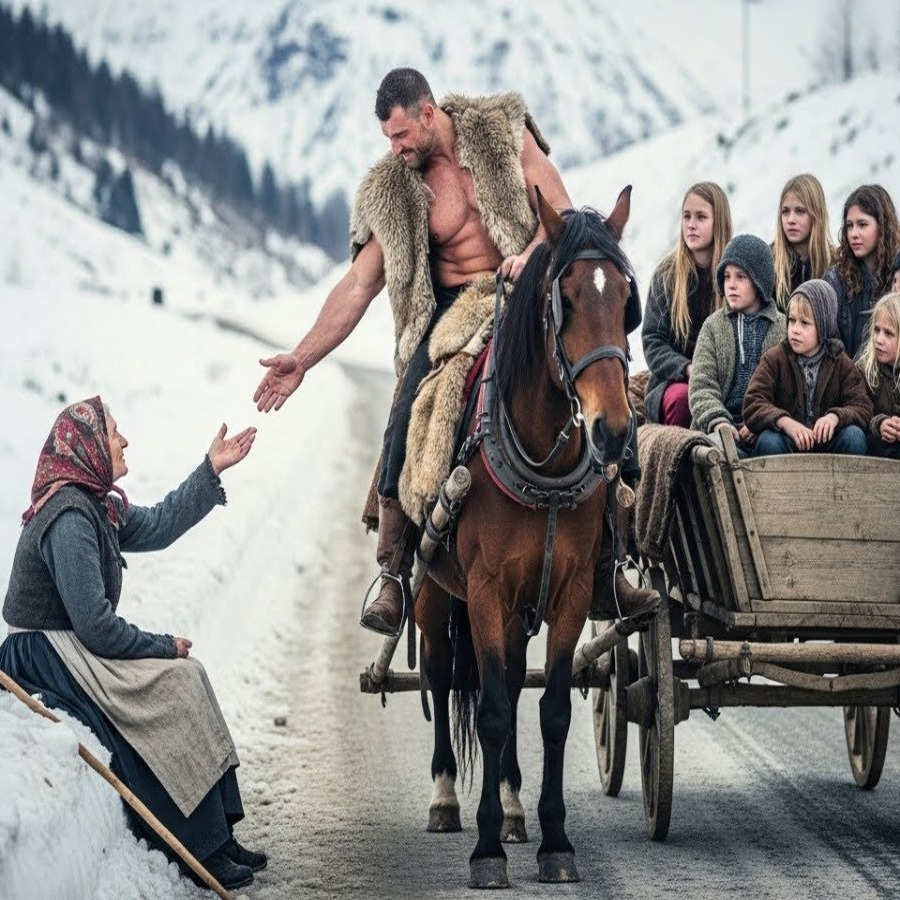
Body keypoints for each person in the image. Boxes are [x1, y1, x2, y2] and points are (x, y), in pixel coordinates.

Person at [252, 68, 655, 634]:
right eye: (388, 140)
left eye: (400, 135)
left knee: (598, 372)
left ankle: (610, 559)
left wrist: (530, 255)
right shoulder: (391, 191)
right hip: (446, 315)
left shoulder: (501, 133)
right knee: (402, 413)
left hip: (526, 295)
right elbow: (358, 286)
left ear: (427, 113)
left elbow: (559, 215)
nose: (396, 149)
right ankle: (393, 572)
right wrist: (303, 357)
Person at [0, 397, 263, 891]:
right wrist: (161, 646)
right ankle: (196, 849)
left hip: (73, 643)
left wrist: (210, 469)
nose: (124, 441)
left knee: (189, 677)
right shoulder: (69, 518)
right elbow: (96, 627)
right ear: (89, 449)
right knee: (167, 693)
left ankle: (218, 834)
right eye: (114, 433)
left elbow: (160, 524)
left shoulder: (97, 505)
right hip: (46, 655)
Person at [743, 280, 871, 456]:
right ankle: (775, 484)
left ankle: (842, 485)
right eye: (792, 321)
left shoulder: (840, 362)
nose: (795, 330)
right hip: (787, 442)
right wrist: (784, 422)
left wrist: (835, 417)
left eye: (804, 323)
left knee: (854, 437)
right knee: (768, 441)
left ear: (823, 325)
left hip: (826, 446)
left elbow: (862, 406)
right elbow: (753, 402)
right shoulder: (775, 358)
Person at [642, 181, 733, 426]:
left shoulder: (734, 275)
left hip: (724, 381)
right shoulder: (667, 275)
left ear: (719, 222)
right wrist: (687, 369)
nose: (691, 224)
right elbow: (653, 341)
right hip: (674, 382)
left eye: (701, 217)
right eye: (686, 216)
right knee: (683, 400)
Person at [688, 234, 786, 457]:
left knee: (773, 445)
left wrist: (762, 419)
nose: (731, 284)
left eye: (741, 277)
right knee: (723, 454)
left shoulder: (781, 327)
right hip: (722, 428)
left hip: (765, 426)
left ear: (760, 281)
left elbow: (789, 388)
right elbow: (702, 385)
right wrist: (718, 421)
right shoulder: (713, 327)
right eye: (727, 276)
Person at [823, 184, 900, 359]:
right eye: (849, 226)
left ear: (883, 226)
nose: (853, 234)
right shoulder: (835, 279)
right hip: (847, 382)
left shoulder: (897, 278)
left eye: (862, 224)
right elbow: (828, 345)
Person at [772, 173, 835, 311]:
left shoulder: (836, 264)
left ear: (816, 214)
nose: (790, 220)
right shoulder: (768, 261)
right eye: (785, 211)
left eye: (800, 211)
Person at [856, 292, 900, 458]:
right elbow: (859, 410)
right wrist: (879, 423)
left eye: (888, 334)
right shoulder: (864, 370)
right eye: (876, 330)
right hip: (876, 450)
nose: (879, 339)